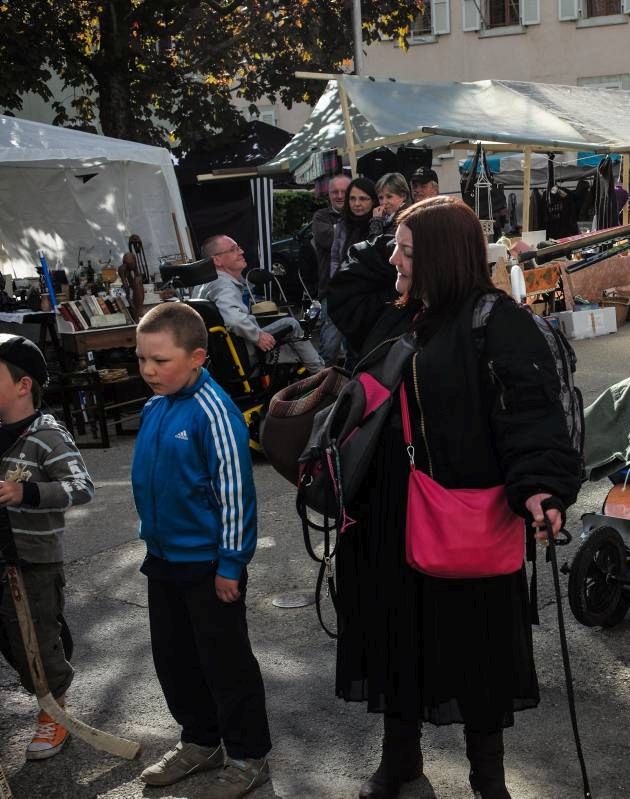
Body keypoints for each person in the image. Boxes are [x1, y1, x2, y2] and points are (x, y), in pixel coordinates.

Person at [326, 196, 581, 799]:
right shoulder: (395, 313)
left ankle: (488, 782)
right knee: (395, 638)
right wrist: (391, 227)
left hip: (465, 517)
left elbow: (533, 416)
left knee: (477, 651)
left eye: (407, 251)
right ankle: (401, 765)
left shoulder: (498, 320)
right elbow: (343, 287)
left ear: (441, 257)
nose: (393, 259)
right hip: (387, 515)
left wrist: (542, 489)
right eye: (394, 246)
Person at [132, 303, 271, 796]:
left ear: (196, 357)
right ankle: (201, 741)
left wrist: (231, 563)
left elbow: (235, 493)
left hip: (210, 565)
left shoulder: (214, 411)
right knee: (175, 659)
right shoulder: (155, 407)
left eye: (160, 360)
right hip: (164, 560)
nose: (149, 370)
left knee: (226, 664)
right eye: (142, 359)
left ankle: (249, 756)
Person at [0, 335, 93, 761]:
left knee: (35, 638)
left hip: (32, 561)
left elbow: (81, 487)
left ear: (23, 386)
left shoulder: (46, 435)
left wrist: (26, 494)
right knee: (10, 638)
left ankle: (53, 709)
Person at [196, 235, 324, 373]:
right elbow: (235, 320)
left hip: (224, 356)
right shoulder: (223, 286)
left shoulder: (203, 284)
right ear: (217, 260)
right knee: (291, 324)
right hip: (245, 351)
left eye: (238, 247)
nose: (241, 252)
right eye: (233, 249)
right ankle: (321, 373)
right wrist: (257, 336)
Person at [312, 173, 351, 364]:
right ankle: (319, 387)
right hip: (331, 289)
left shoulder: (359, 216)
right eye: (335, 192)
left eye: (344, 191)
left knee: (353, 345)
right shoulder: (321, 216)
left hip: (357, 289)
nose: (339, 195)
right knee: (329, 346)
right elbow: (328, 239)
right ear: (328, 195)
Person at [331, 177, 380, 273]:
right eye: (352, 198)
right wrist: (336, 282)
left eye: (363, 199)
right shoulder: (342, 225)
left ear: (373, 201)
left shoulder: (381, 224)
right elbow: (335, 259)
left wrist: (377, 222)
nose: (357, 204)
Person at [368, 172, 411, 239]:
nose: (384, 202)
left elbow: (377, 246)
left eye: (389, 196)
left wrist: (376, 221)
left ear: (403, 195)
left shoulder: (405, 219)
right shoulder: (387, 218)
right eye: (381, 198)